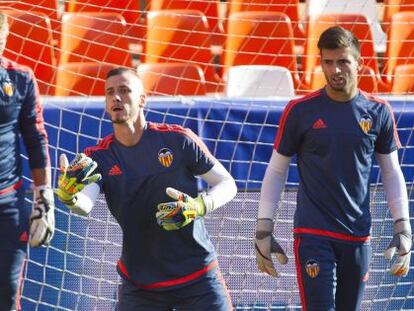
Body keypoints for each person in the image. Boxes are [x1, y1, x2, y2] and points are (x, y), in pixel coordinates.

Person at [255, 26, 412, 310]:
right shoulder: (300, 111)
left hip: (357, 233)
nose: (335, 70)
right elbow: (277, 170)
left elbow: (391, 172)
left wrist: (403, 227)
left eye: (343, 61)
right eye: (328, 62)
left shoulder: (378, 111)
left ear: (359, 63)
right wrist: (264, 228)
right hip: (313, 232)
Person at [55, 67, 237, 310]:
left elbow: (228, 184)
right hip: (141, 286)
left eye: (124, 90)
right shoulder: (98, 157)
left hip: (198, 279)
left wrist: (200, 205)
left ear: (142, 99)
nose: (116, 97)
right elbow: (84, 206)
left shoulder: (178, 140)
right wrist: (69, 196)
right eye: (110, 92)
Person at [0, 12, 55, 311]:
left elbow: (36, 138)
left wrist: (43, 198)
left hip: (7, 205)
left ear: (5, 40)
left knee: (7, 294)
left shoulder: (20, 78)